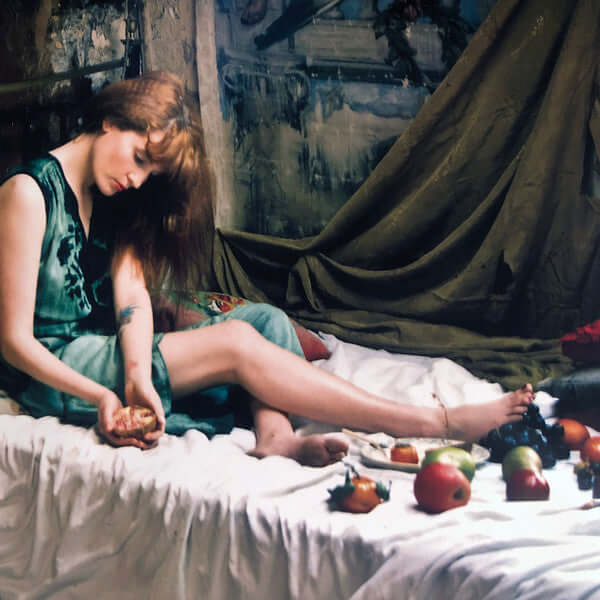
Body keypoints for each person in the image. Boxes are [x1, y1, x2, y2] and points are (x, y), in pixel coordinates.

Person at [0, 71, 534, 467]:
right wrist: (102, 395)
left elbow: (131, 297)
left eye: (149, 171)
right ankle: (434, 422)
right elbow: (14, 343)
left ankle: (274, 436)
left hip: (105, 350)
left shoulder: (112, 196)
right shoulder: (27, 193)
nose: (137, 180)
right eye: (140, 158)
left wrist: (137, 375)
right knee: (234, 343)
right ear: (111, 121)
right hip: (55, 368)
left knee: (265, 321)